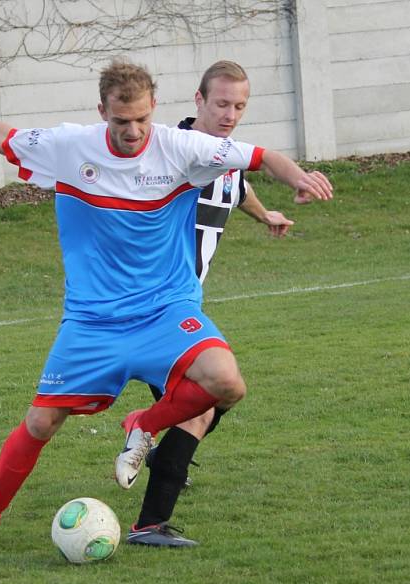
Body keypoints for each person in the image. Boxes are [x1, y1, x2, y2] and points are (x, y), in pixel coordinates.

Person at [0, 60, 332, 559]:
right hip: (93, 320)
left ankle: (143, 424)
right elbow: (3, 136)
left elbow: (264, 157)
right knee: (40, 424)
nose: (132, 132)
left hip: (165, 310)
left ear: (154, 109)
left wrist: (300, 178)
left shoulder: (182, 148)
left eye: (140, 120)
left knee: (227, 383)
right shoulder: (71, 147)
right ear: (102, 113)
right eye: (120, 122)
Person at [118, 60, 296, 548]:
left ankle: (155, 451)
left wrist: (266, 216)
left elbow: (238, 187)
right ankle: (150, 522)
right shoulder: (171, 154)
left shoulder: (229, 159)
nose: (230, 114)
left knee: (202, 406)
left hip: (181, 307)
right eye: (221, 103)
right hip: (153, 309)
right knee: (203, 405)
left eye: (239, 105)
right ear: (198, 101)